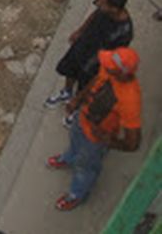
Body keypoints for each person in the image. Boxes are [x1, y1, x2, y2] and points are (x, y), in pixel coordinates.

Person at [46, 47, 142, 211]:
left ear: (122, 73)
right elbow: (96, 80)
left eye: (110, 66)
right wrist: (78, 99)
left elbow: (133, 143)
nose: (105, 66)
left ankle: (77, 194)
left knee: (85, 167)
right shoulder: (110, 71)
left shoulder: (130, 100)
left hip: (95, 139)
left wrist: (109, 141)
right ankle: (69, 158)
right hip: (82, 118)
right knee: (75, 142)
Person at [44, 0, 132, 119]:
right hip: (82, 46)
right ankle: (67, 92)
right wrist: (80, 31)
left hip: (94, 63)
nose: (97, 4)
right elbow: (94, 15)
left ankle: (77, 107)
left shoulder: (124, 33)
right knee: (70, 69)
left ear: (114, 9)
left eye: (101, 4)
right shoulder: (104, 10)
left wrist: (77, 99)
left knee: (86, 86)